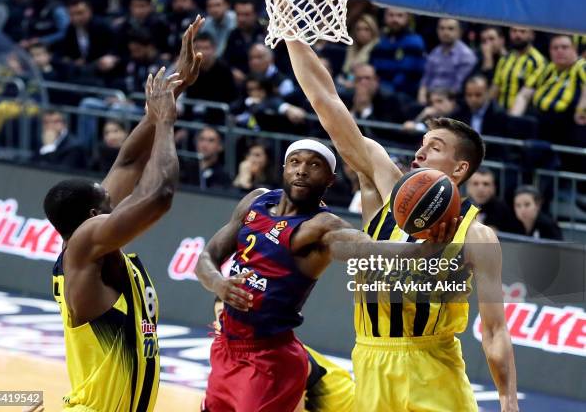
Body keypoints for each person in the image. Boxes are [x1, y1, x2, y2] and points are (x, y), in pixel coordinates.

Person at [285, 38, 518, 412]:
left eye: (435, 146)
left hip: (434, 368)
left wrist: (507, 400)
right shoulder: (384, 187)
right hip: (372, 359)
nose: (420, 151)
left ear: (459, 169)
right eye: (422, 143)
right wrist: (292, 33)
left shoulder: (476, 235)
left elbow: (494, 329)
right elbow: (325, 101)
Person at [44, 18, 203, 411]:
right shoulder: (84, 247)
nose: (116, 199)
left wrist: (170, 91)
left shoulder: (88, 239)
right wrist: (166, 123)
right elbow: (159, 194)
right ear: (93, 215)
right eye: (106, 201)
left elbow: (129, 162)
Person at [195, 139, 375, 412]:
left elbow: (367, 248)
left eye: (314, 165)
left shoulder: (322, 226)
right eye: (295, 162)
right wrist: (218, 283)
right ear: (284, 168)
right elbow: (206, 259)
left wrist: (428, 250)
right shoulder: (256, 200)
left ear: (330, 179)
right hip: (226, 348)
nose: (302, 170)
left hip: (270, 361)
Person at [211, 297, 355, 412]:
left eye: (235, 314)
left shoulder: (278, 356)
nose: (230, 321)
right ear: (215, 324)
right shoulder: (223, 354)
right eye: (222, 316)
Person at [511, 34, 586, 145]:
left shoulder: (582, 66)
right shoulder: (545, 68)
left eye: (564, 47)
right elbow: (524, 94)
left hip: (568, 126)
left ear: (574, 49)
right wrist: (514, 118)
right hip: (541, 124)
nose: (559, 51)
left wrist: (581, 109)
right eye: (555, 48)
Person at [418, 18, 477, 105]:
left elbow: (458, 88)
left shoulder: (466, 55)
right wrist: (421, 96)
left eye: (450, 29)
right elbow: (426, 79)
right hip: (430, 98)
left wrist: (436, 98)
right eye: (442, 28)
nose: (445, 32)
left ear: (459, 32)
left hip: (451, 101)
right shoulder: (435, 52)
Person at [492, 27, 546, 111]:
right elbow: (495, 87)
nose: (517, 34)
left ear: (532, 35)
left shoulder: (538, 61)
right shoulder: (505, 59)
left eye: (522, 31)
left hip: (523, 115)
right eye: (514, 31)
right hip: (500, 112)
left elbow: (526, 95)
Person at [467, 167, 520, 233]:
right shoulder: (461, 205)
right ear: (468, 187)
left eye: (486, 184)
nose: (480, 189)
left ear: (494, 188)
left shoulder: (501, 209)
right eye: (475, 184)